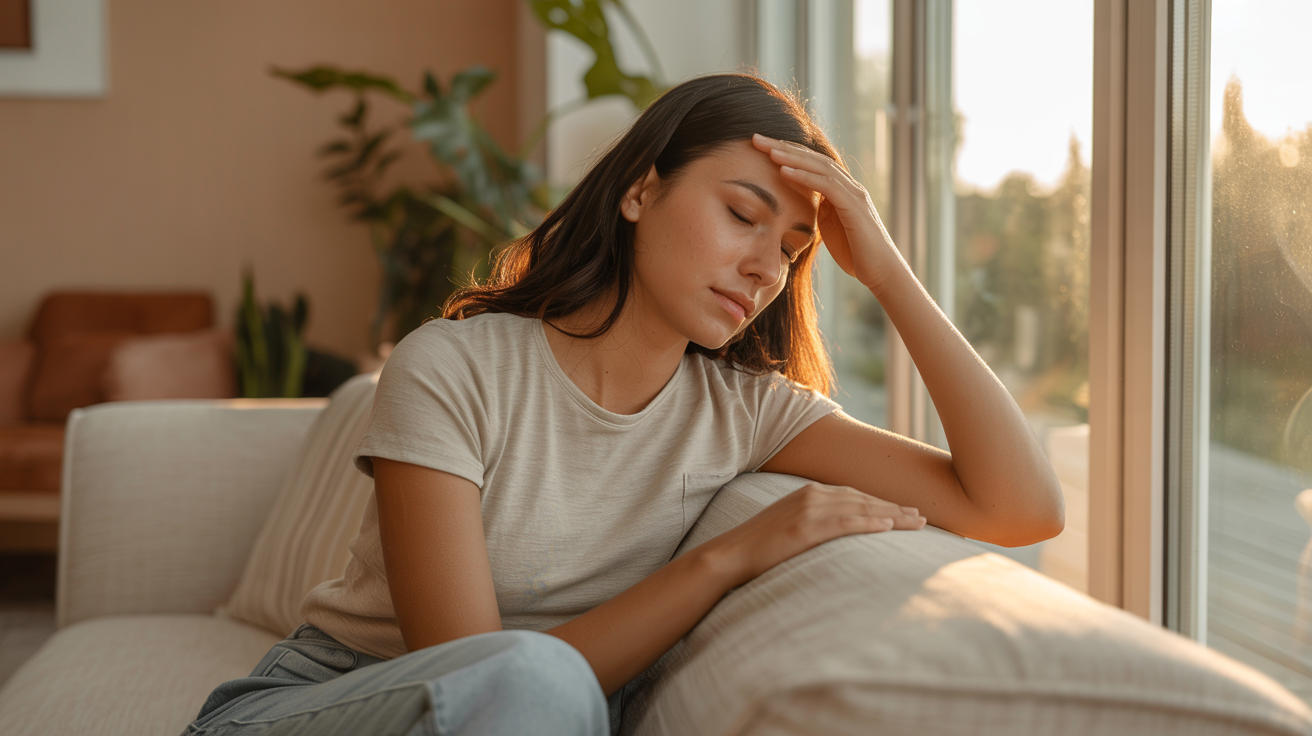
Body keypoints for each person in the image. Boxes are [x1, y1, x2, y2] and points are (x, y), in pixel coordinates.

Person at [181, 72, 1063, 736]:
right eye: (741, 214)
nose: (767, 266)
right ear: (641, 190)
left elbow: (1019, 508)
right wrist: (727, 559)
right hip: (321, 705)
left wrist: (888, 271)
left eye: (796, 248)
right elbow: (474, 664)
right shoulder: (454, 367)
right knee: (534, 681)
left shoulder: (746, 412)